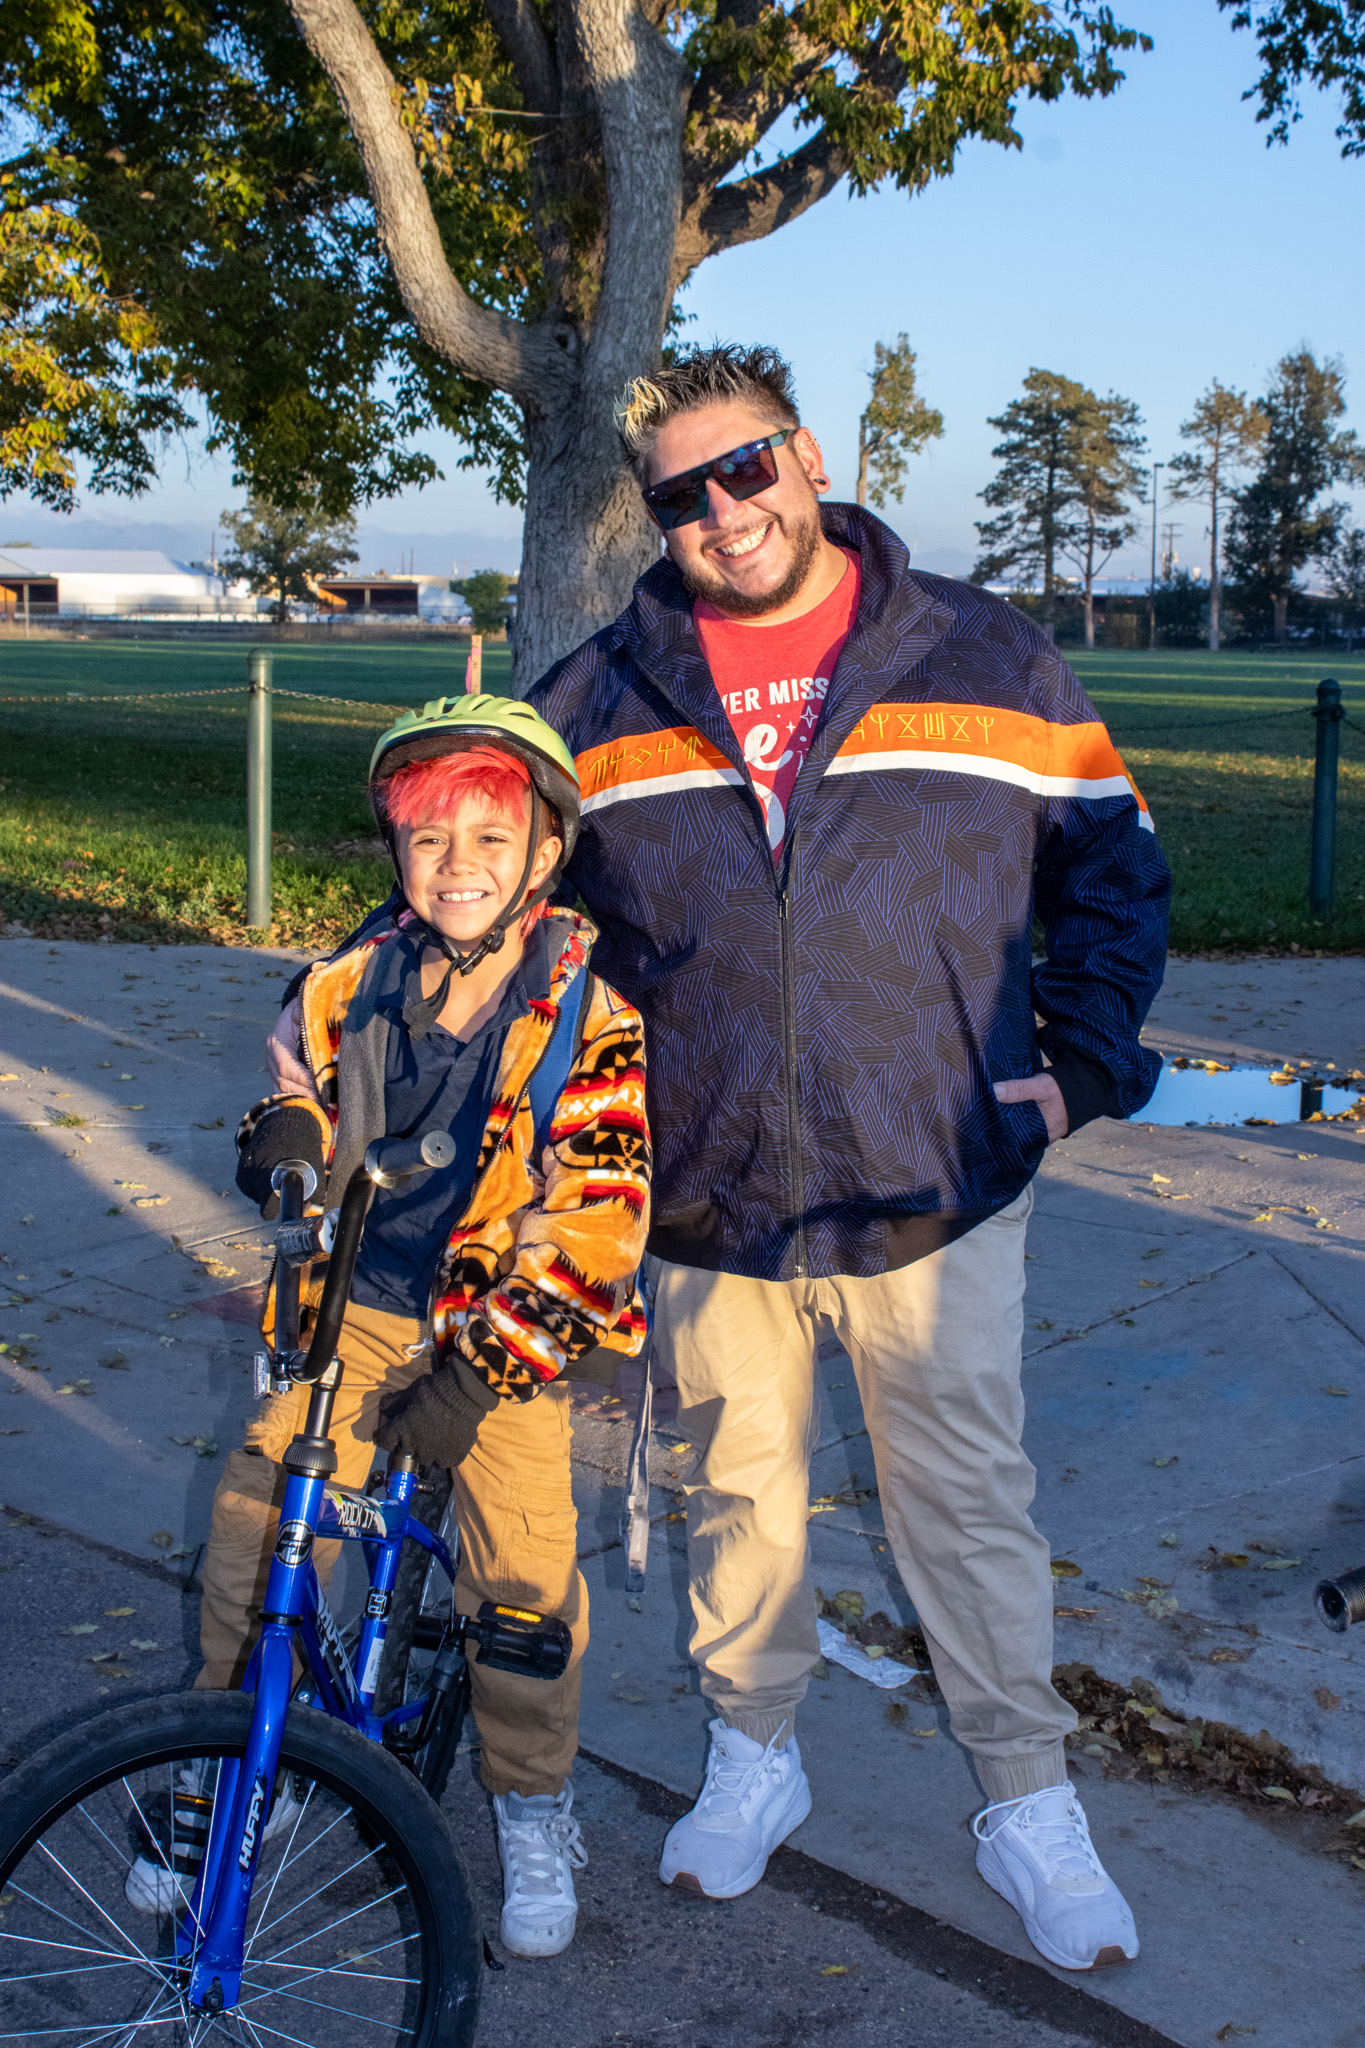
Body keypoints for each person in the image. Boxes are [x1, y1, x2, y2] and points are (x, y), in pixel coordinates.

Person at [269, 343, 1169, 1973]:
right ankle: (758, 1752)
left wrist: (1075, 1070)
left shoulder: (990, 653)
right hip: (708, 1195)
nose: (721, 511)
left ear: (808, 457)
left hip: (931, 1186)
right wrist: (321, 1008)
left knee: (961, 1504)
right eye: (679, 494)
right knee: (737, 1496)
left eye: (744, 468)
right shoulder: (601, 695)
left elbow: (1116, 870)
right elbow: (470, 880)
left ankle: (1027, 1799)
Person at [172, 696, 651, 1961]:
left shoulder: (589, 1021)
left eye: (490, 840)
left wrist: (482, 1374)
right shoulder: (345, 981)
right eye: (430, 838)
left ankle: (533, 1797)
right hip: (351, 1312)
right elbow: (294, 1084)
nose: (458, 866)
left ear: (544, 854)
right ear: (395, 853)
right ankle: (227, 1762)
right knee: (258, 1526)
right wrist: (280, 1135)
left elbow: (597, 1230)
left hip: (496, 1334)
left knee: (524, 1581)